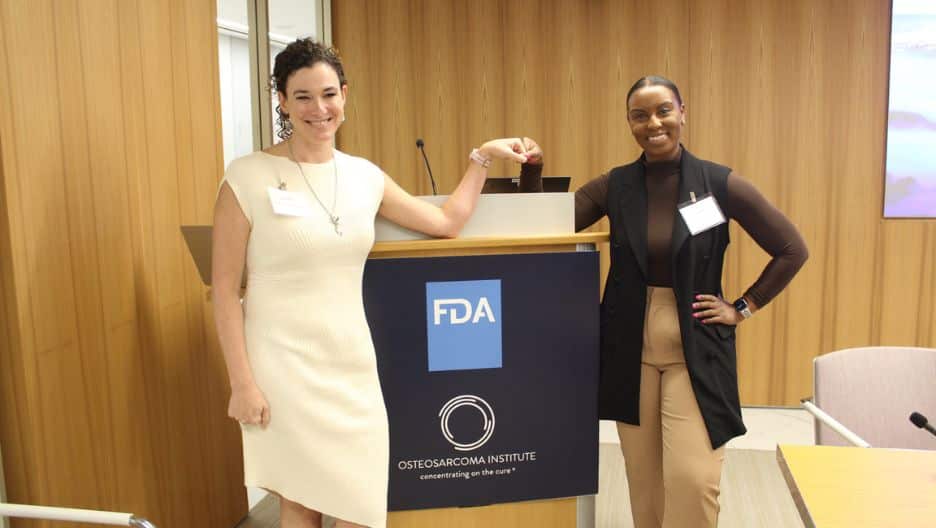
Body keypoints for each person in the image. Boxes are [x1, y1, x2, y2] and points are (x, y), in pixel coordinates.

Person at [211, 38, 530, 528]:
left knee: (359, 504)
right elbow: (224, 289)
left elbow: (446, 222)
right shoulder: (247, 176)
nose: (319, 109)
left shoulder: (364, 176)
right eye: (302, 97)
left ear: (344, 95)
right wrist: (242, 383)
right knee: (300, 500)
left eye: (328, 94)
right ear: (282, 101)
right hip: (281, 364)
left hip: (351, 362)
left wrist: (482, 158)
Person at [520, 76, 808, 528]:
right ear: (629, 122)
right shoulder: (615, 185)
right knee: (645, 483)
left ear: (682, 113)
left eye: (663, 111)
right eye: (640, 115)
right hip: (629, 346)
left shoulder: (718, 182)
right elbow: (543, 228)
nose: (653, 123)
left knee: (692, 479)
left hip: (694, 347)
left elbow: (792, 249)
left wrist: (743, 306)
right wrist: (533, 170)